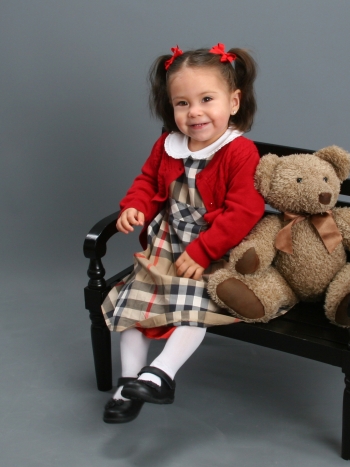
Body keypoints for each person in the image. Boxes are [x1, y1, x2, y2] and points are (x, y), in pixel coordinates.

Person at [101, 43, 266, 423]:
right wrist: (134, 207)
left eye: (207, 99)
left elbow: (245, 211)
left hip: (214, 251)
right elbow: (147, 182)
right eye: (182, 103)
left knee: (195, 309)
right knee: (135, 308)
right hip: (169, 244)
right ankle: (129, 384)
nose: (194, 112)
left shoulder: (239, 152)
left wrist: (204, 251)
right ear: (171, 107)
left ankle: (161, 375)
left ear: (234, 101)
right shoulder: (168, 145)